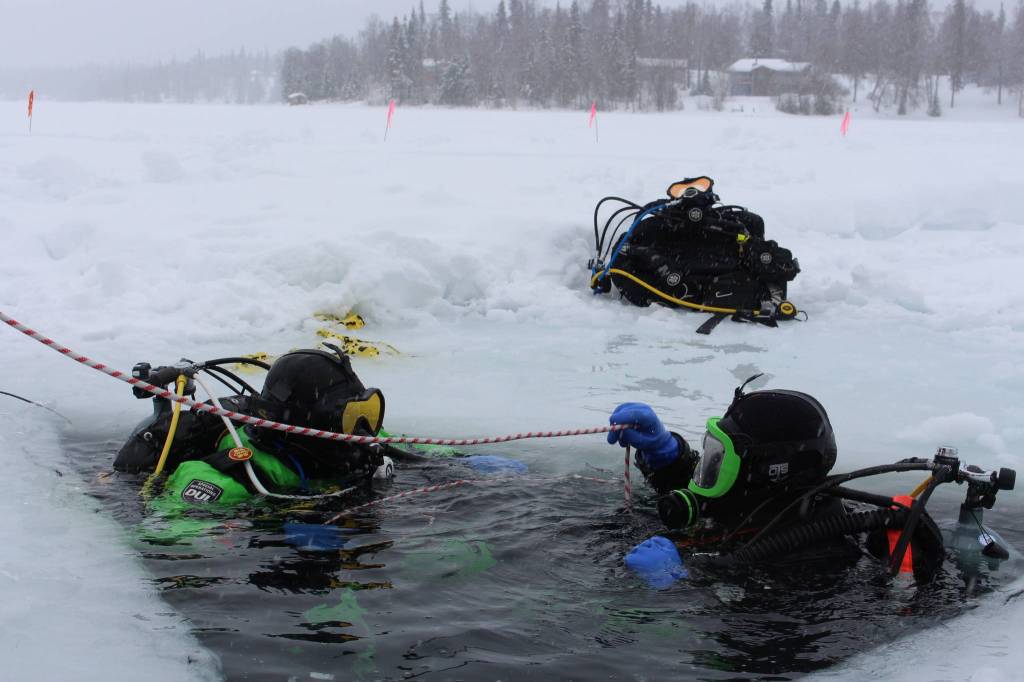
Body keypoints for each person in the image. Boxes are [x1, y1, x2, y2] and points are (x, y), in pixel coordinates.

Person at [608, 377, 946, 585]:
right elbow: (723, 494)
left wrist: (685, 582)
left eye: (721, 460)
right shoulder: (759, 501)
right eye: (714, 453)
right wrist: (666, 454)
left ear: (770, 471)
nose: (708, 470)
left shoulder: (816, 559)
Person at [114, 346, 393, 506]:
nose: (362, 430)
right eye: (349, 416)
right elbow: (167, 537)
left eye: (367, 411)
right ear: (307, 424)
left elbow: (422, 450)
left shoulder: (350, 442)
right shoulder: (232, 481)